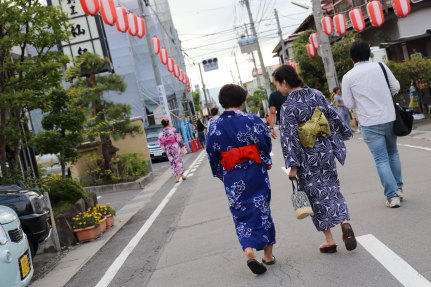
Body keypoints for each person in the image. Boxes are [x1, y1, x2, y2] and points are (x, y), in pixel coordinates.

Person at [272, 64, 357, 254]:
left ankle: (330, 240)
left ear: (284, 82)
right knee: (332, 189)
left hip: (305, 156)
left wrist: (292, 166)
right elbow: (333, 115)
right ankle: (344, 222)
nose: (277, 89)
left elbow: (289, 137)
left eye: (277, 84)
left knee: (315, 197)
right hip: (324, 150)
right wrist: (343, 133)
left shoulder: (288, 106)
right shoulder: (316, 94)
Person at [206, 84, 275, 275]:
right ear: (242, 100)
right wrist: (265, 159)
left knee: (241, 212)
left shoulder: (214, 125)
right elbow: (265, 141)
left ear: (222, 102)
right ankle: (268, 256)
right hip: (255, 170)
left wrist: (222, 173)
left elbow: (211, 152)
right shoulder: (252, 119)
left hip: (232, 174)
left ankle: (248, 249)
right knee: (262, 208)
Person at [342, 41, 403, 208]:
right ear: (369, 53)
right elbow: (395, 87)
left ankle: (392, 197)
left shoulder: (348, 76)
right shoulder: (381, 67)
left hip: (369, 122)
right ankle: (399, 190)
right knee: (393, 153)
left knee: (381, 159)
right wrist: (383, 98)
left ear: (352, 58)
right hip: (390, 117)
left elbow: (348, 103)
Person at [158, 118, 187, 183]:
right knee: (179, 161)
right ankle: (182, 175)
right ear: (168, 123)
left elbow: (160, 143)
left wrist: (165, 149)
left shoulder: (161, 133)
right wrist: (182, 145)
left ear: (162, 125)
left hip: (168, 148)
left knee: (173, 162)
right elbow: (179, 138)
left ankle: (176, 178)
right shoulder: (173, 129)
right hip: (175, 147)